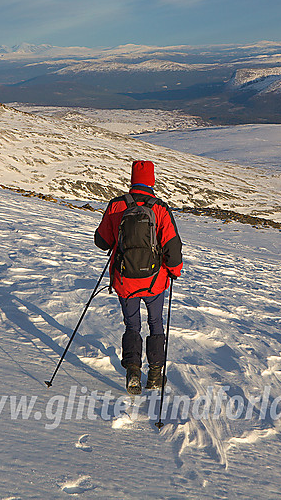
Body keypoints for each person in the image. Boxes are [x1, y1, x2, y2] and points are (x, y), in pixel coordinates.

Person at [94, 160, 183, 394]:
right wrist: (174, 271)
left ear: (133, 180)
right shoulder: (160, 209)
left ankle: (133, 369)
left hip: (125, 281)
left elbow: (101, 242)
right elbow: (172, 248)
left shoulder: (116, 206)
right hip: (155, 281)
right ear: (151, 182)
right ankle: (155, 375)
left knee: (132, 324)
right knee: (156, 324)